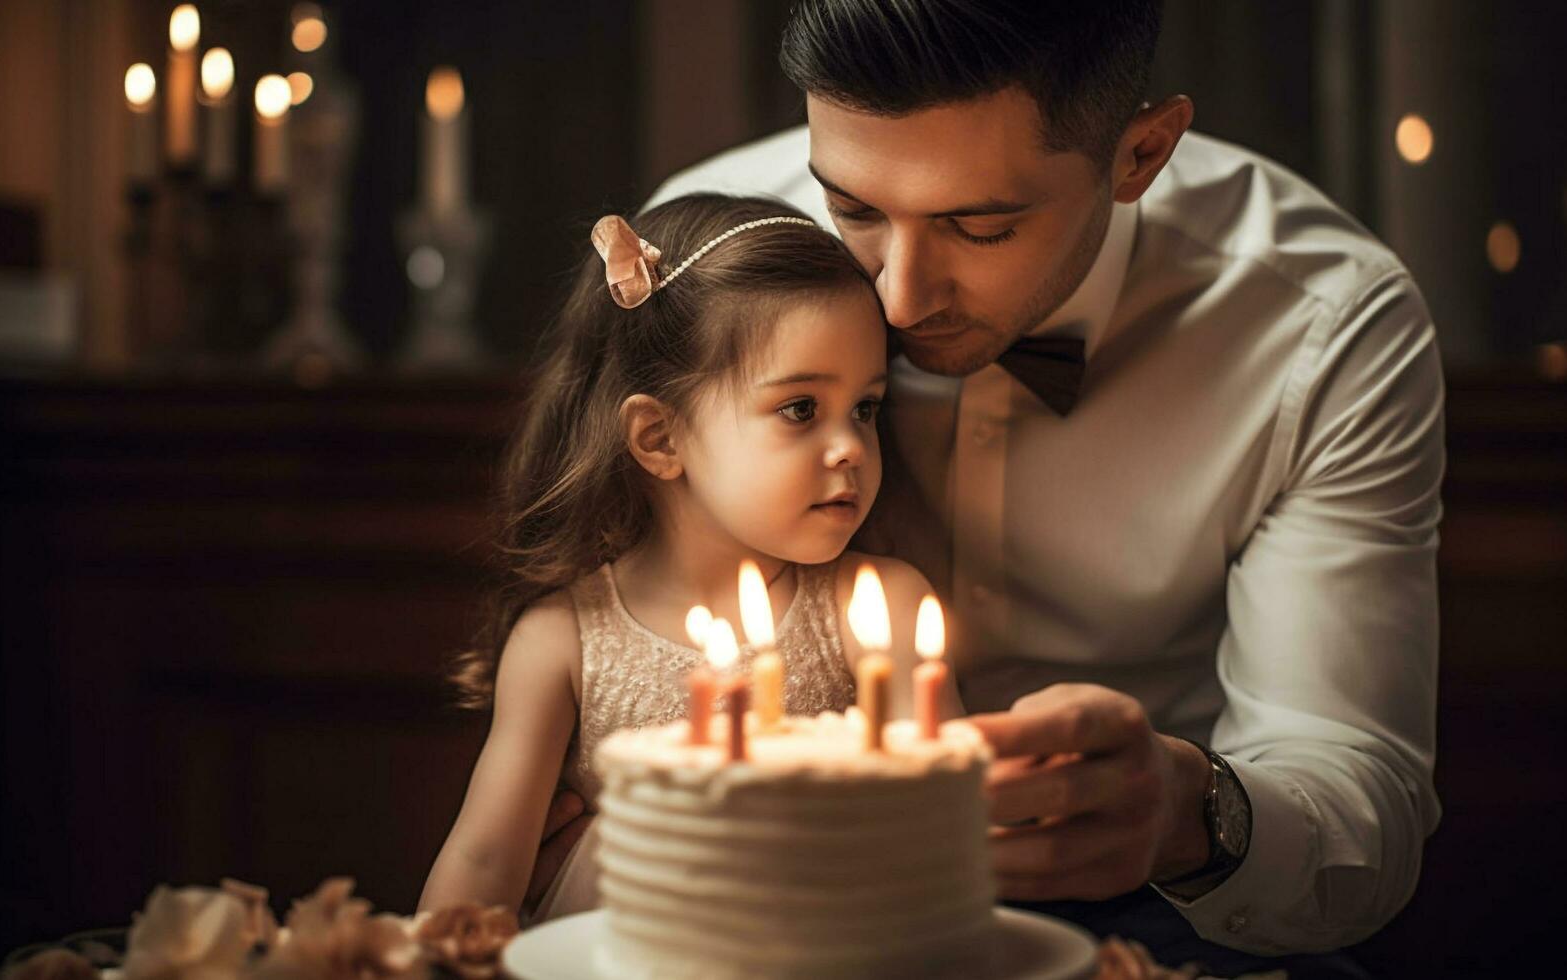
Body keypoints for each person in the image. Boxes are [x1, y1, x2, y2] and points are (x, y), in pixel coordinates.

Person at [536, 2, 1442, 975]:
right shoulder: (709, 249)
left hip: (1159, 908)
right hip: (787, 904)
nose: (896, 298)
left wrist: (1187, 813)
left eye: (978, 226)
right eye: (851, 210)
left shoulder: (1325, 324)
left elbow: (1356, 802)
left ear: (1140, 153)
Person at [418, 193, 964, 922]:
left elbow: (958, 824)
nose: (850, 448)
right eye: (800, 409)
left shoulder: (880, 608)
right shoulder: (562, 640)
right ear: (659, 439)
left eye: (864, 408)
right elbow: (485, 861)